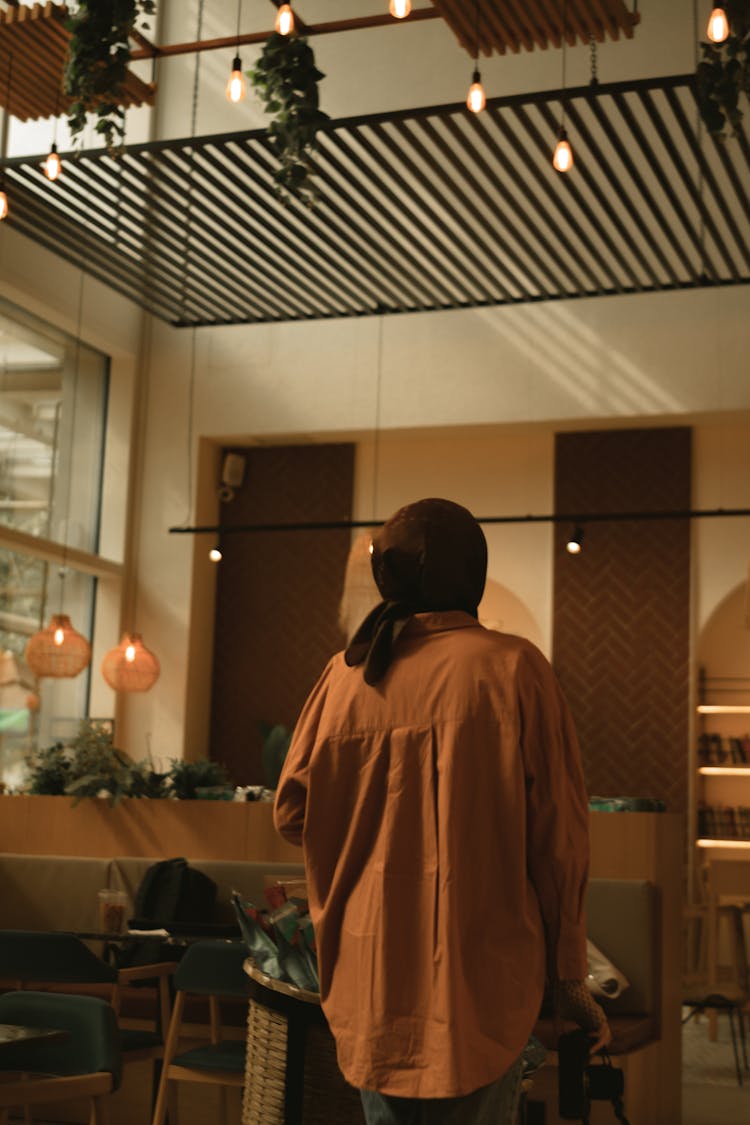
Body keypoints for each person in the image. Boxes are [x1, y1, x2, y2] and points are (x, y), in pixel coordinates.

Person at [274, 497, 611, 1124]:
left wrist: (371, 826)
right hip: (481, 979)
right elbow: (558, 839)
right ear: (471, 572)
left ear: (387, 574)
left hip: (368, 977)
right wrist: (568, 976)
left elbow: (292, 814)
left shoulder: (342, 678)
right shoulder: (513, 669)